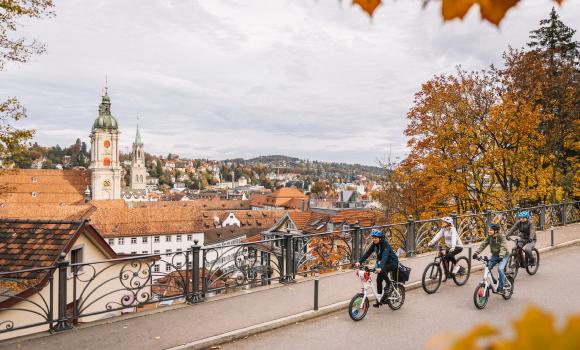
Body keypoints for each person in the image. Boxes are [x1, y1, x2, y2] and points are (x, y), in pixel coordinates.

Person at [355, 229, 399, 307]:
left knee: (382, 270)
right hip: (383, 263)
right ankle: (379, 299)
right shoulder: (374, 244)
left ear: (380, 238)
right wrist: (360, 261)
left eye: (376, 238)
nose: (374, 239)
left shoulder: (385, 244)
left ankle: (389, 285)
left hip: (392, 262)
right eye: (373, 237)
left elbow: (385, 256)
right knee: (378, 280)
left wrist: (380, 267)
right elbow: (367, 253)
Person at [473, 223, 509, 294]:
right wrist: (476, 253)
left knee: (500, 269)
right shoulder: (489, 237)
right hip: (495, 255)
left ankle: (501, 287)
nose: (489, 231)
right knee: (487, 268)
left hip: (504, 255)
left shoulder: (501, 236)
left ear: (496, 231)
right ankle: (494, 281)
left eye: (491, 230)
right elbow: (483, 244)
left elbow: (503, 247)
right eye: (489, 230)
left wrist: (501, 256)